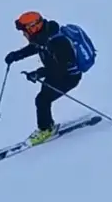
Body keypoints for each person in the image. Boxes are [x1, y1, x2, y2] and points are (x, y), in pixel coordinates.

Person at [5, 11, 86, 144]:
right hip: (54, 74)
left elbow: (62, 67)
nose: (24, 34)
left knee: (42, 100)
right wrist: (16, 55)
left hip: (69, 77)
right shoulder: (43, 36)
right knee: (43, 99)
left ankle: (46, 130)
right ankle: (47, 126)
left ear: (33, 27)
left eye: (25, 31)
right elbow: (34, 48)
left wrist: (39, 73)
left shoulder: (59, 42)